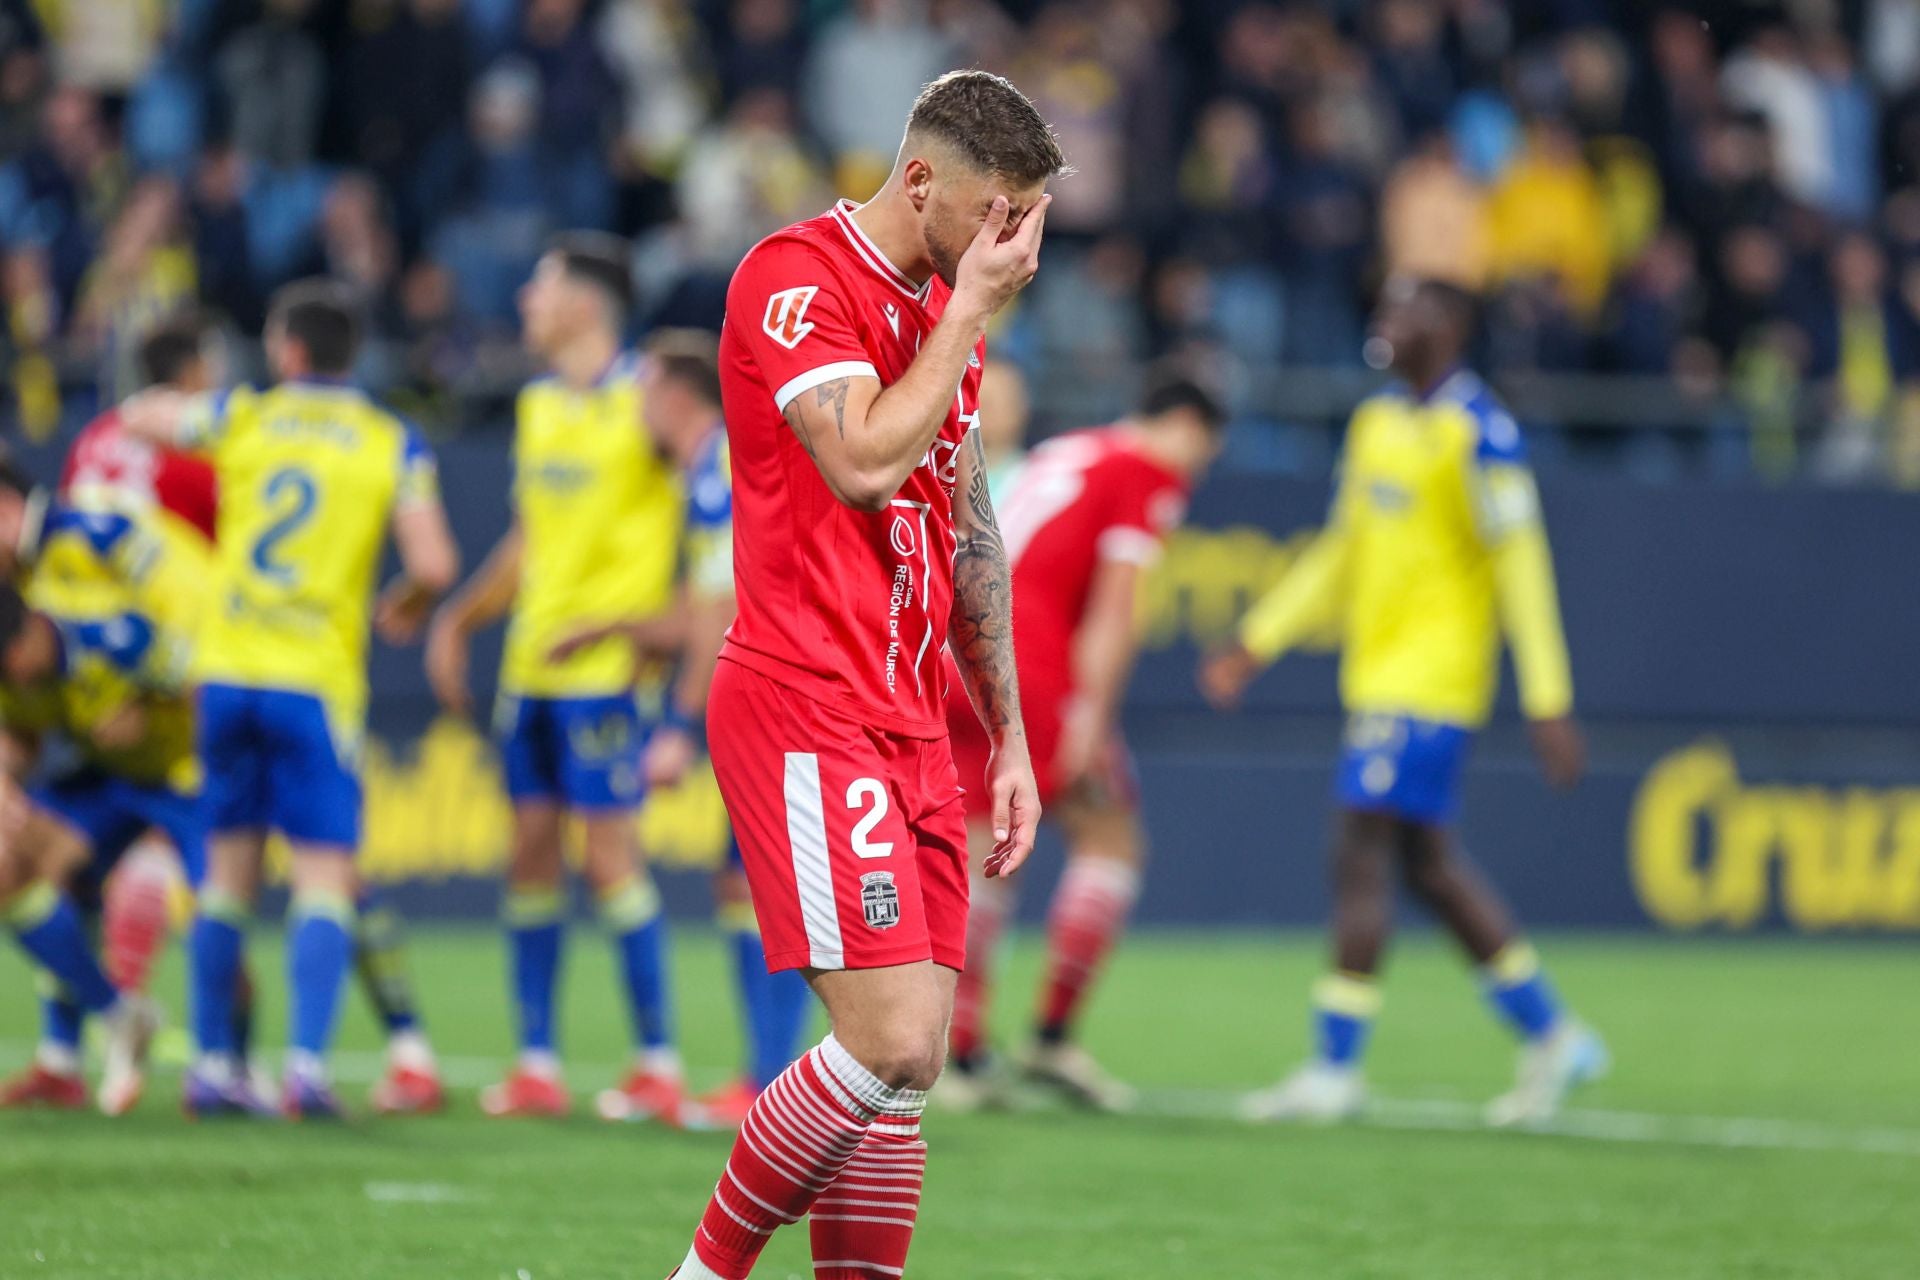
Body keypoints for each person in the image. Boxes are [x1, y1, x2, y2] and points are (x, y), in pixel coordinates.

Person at [667, 69, 1062, 1280]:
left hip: (908, 718)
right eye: (1004, 215)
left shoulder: (956, 309)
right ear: (924, 181)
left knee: (909, 1078)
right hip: (803, 698)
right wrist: (968, 316)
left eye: (1033, 220)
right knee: (885, 1040)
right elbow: (862, 463)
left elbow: (966, 517)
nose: (1019, 249)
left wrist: (1006, 733)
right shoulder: (794, 279)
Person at [1200, 277, 1608, 1127]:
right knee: (1427, 867)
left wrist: (1548, 697)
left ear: (1449, 326)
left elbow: (1521, 566)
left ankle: (1335, 1066)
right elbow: (1341, 552)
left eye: (1402, 310)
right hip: (1378, 677)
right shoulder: (1377, 423)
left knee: (1356, 847)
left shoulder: (1480, 434)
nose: (1381, 322)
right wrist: (1258, 640)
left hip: (1434, 683)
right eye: (1379, 306)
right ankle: (1551, 1033)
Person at [123, 278, 460, 1118]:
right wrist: (408, 605)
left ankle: (210, 1068)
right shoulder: (390, 440)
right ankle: (304, 1070)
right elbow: (433, 564)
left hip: (229, 673)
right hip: (313, 683)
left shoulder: (245, 417)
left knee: (227, 882)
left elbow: (143, 417)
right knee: (322, 880)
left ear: (290, 352)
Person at [424, 235, 687, 1122]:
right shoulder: (538, 405)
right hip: (531, 672)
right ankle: (536, 1061)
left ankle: (658, 1060)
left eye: (540, 285)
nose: (527, 300)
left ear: (586, 300)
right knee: (530, 852)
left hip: (609, 672)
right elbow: (529, 536)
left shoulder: (652, 397)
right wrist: (461, 617)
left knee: (609, 855)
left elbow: (718, 508)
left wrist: (674, 626)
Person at [941, 363, 1225, 1112]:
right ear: (1189, 429)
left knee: (987, 852)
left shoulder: (1068, 451)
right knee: (1111, 840)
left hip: (961, 651)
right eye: (1204, 452)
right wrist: (1092, 719)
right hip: (1032, 665)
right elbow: (1116, 610)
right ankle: (1051, 1036)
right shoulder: (1143, 469)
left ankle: (962, 1053)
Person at [551, 330, 814, 1130]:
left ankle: (773, 1082)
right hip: (787, 683)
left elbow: (717, 608)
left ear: (674, 396)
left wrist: (679, 724)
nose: (633, 414)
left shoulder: (717, 467)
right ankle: (765, 1077)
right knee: (745, 881)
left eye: (641, 396)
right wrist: (618, 628)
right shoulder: (726, 462)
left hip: (776, 693)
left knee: (764, 884)